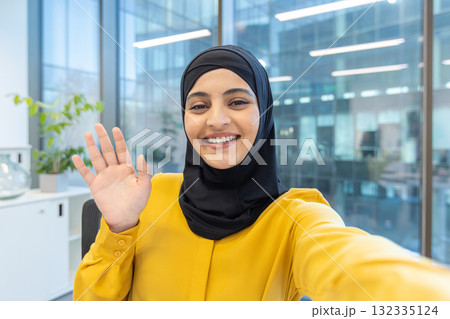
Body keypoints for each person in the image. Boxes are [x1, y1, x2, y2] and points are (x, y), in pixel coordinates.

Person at [72, 45, 450, 301]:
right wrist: (120, 229)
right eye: (198, 105)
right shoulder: (148, 198)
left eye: (237, 101)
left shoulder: (295, 217)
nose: (216, 120)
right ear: (185, 118)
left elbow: (353, 266)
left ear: (265, 112)